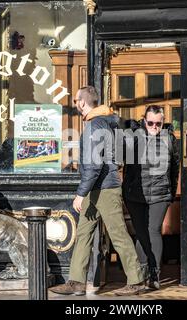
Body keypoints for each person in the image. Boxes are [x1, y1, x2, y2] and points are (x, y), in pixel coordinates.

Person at [50, 86, 145, 296]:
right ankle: (76, 281)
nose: (75, 104)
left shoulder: (95, 125)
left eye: (76, 100)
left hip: (104, 189)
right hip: (99, 187)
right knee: (83, 232)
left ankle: (136, 280)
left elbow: (94, 165)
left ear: (83, 102)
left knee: (117, 233)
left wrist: (81, 193)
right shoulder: (108, 122)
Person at [122, 105, 179, 290]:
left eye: (158, 123)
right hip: (136, 195)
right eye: (150, 122)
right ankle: (141, 273)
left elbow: (175, 167)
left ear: (163, 122)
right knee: (140, 234)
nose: (154, 126)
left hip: (160, 194)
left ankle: (155, 275)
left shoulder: (169, 139)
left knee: (153, 230)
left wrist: (170, 190)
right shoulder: (134, 137)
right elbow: (124, 163)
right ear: (144, 121)